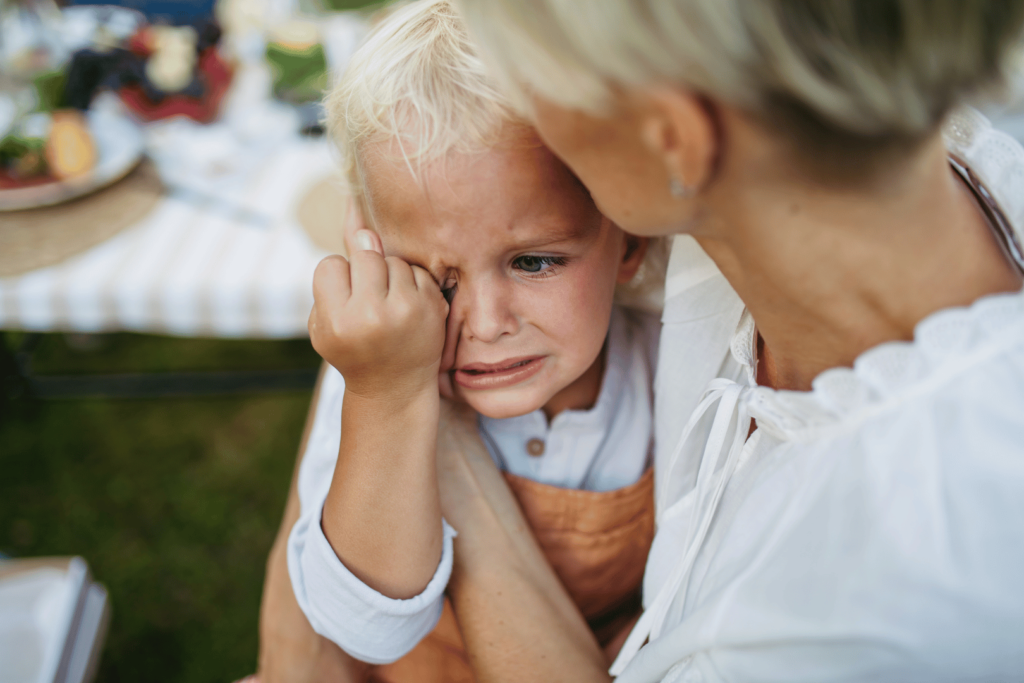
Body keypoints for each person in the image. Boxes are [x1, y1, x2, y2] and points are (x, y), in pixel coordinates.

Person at [416, 0, 1024, 681]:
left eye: (526, 71)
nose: (514, 93)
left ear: (674, 136)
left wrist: (438, 440)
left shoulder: (881, 613)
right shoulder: (804, 178)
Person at [256, 1, 673, 680]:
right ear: (374, 249)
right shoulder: (375, 378)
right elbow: (368, 626)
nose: (483, 324)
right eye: (431, 275)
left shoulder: (669, 365)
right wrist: (386, 397)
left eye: (533, 261)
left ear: (629, 238)